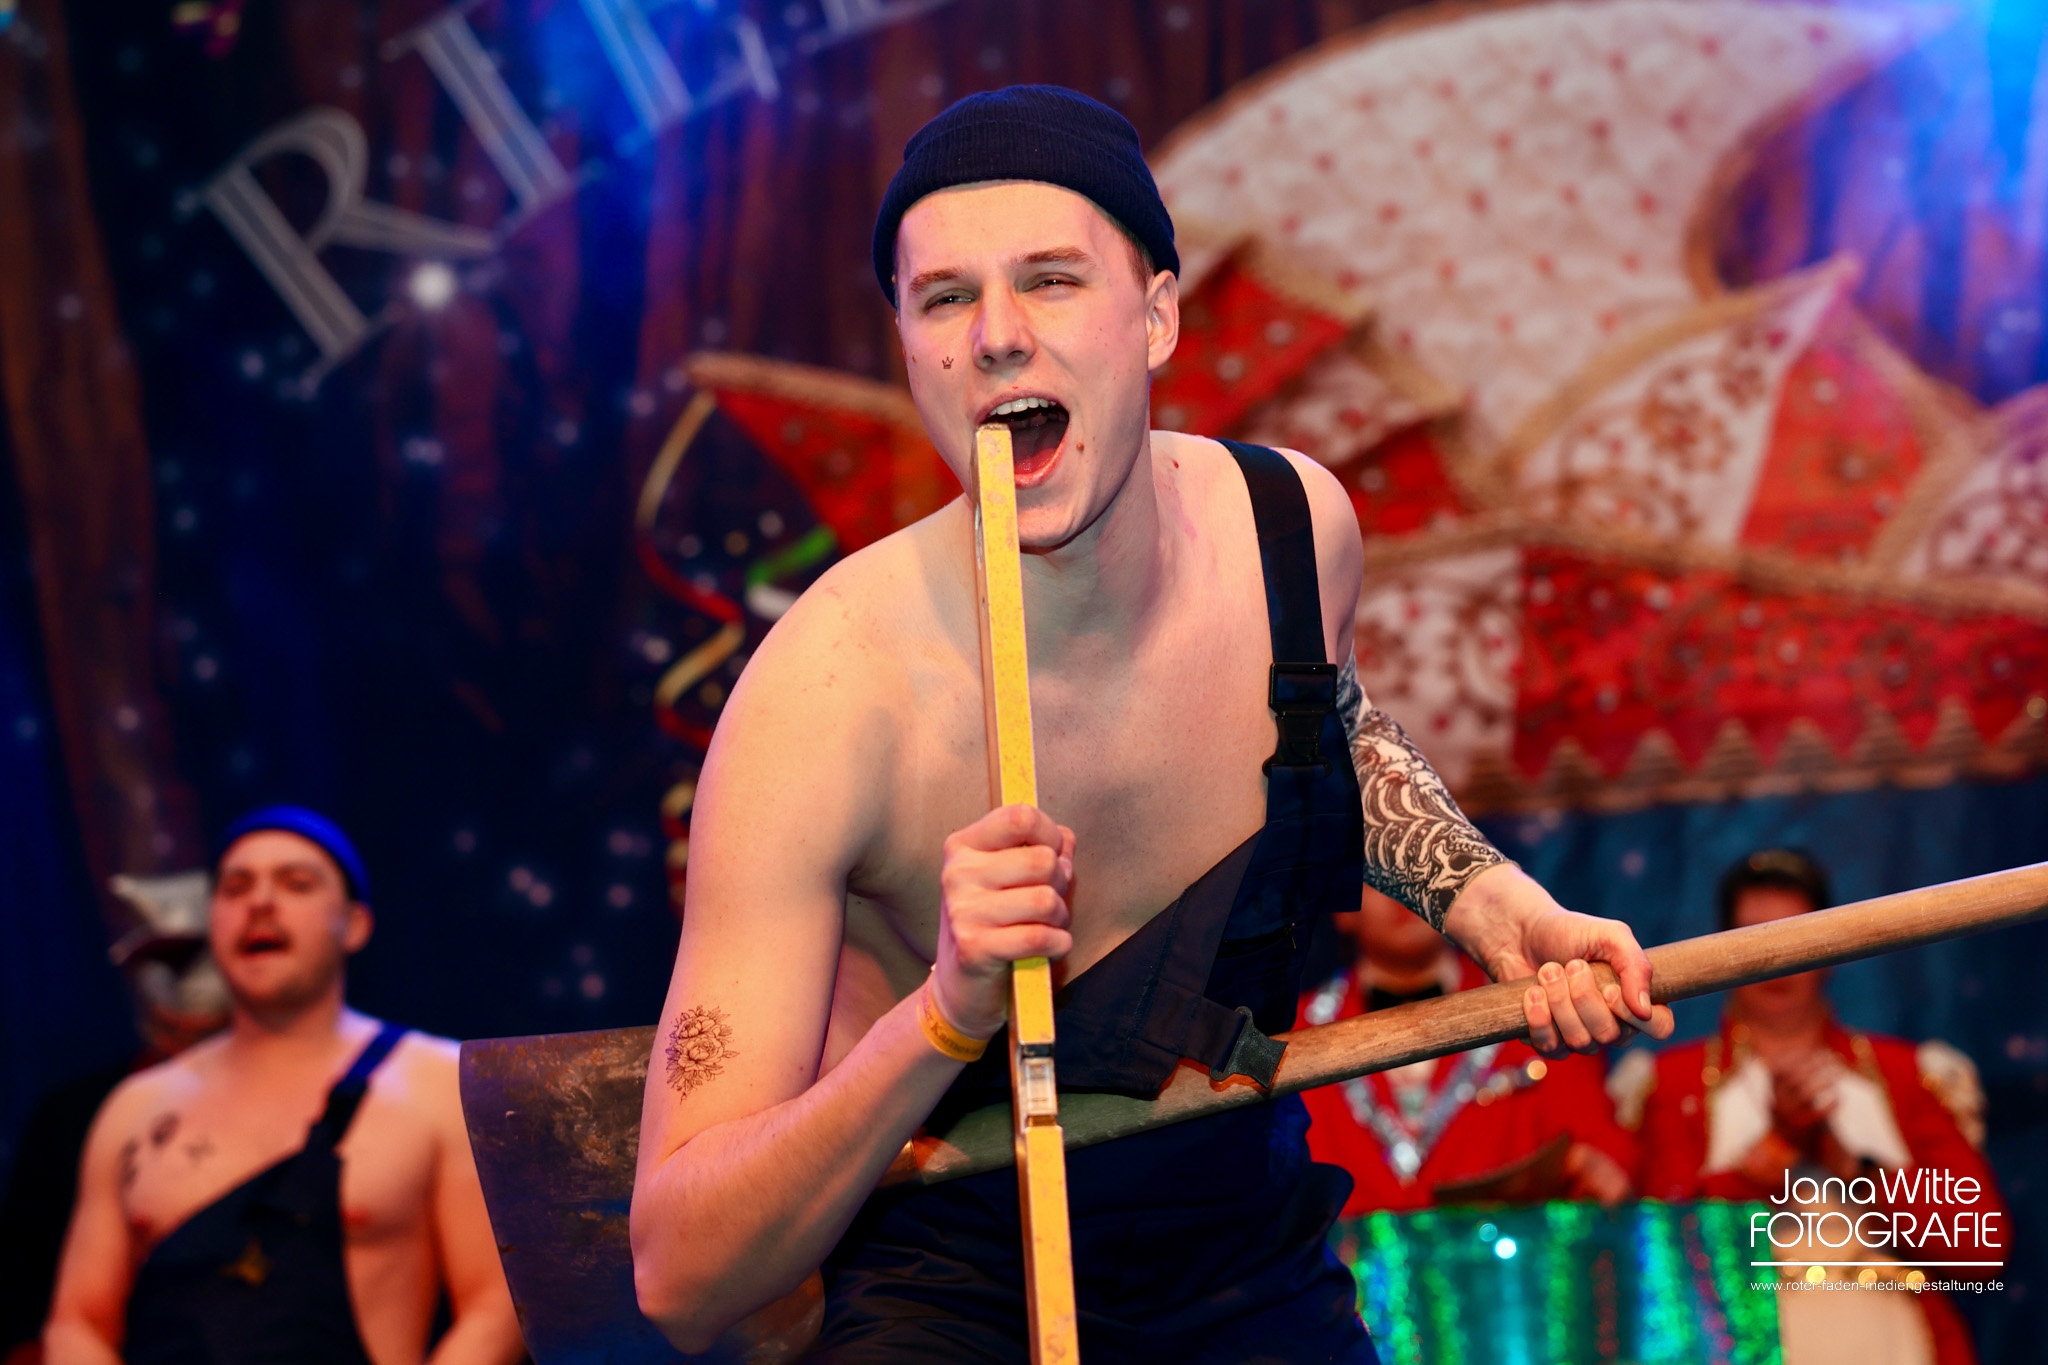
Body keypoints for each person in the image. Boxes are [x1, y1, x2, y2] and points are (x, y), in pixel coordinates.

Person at [629, 85, 1673, 1362]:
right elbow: (680, 1271)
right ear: (904, 343)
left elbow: (1325, 727)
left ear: (1158, 315)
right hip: (957, 1295)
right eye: (945, 298)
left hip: (1252, 1269)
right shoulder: (823, 695)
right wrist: (943, 1014)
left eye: (1050, 280)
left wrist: (1492, 904)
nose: (997, 338)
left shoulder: (1289, 532)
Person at [43, 807, 524, 1365]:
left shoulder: (438, 1084)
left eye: (296, 884)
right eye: (235, 888)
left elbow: (496, 1307)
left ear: (355, 924)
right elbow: (78, 1322)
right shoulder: (136, 1108)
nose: (260, 903)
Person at [1625, 849, 2004, 1365]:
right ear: (1717, 953)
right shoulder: (1673, 1084)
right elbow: (1659, 1264)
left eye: (1797, 937)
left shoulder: (1902, 1074)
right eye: (1751, 940)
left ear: (1834, 949)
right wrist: (1775, 1157)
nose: (1775, 960)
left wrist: (1856, 1171)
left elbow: (1982, 1249)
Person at [1298, 887, 1635, 1215]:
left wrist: (1597, 1174)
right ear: (1341, 909)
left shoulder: (1538, 1008)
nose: (1401, 892)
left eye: (1420, 872)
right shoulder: (1294, 1035)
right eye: (1378, 880)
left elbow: (1608, 1159)